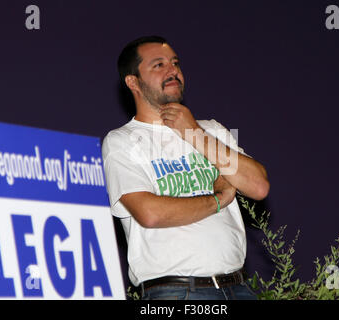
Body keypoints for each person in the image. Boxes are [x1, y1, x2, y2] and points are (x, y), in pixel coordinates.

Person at [102, 36, 270, 300]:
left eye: (175, 63)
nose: (173, 71)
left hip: (238, 288)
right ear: (133, 81)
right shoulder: (121, 141)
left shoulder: (210, 130)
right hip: (175, 291)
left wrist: (194, 134)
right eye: (159, 65)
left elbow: (258, 186)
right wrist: (217, 200)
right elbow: (150, 213)